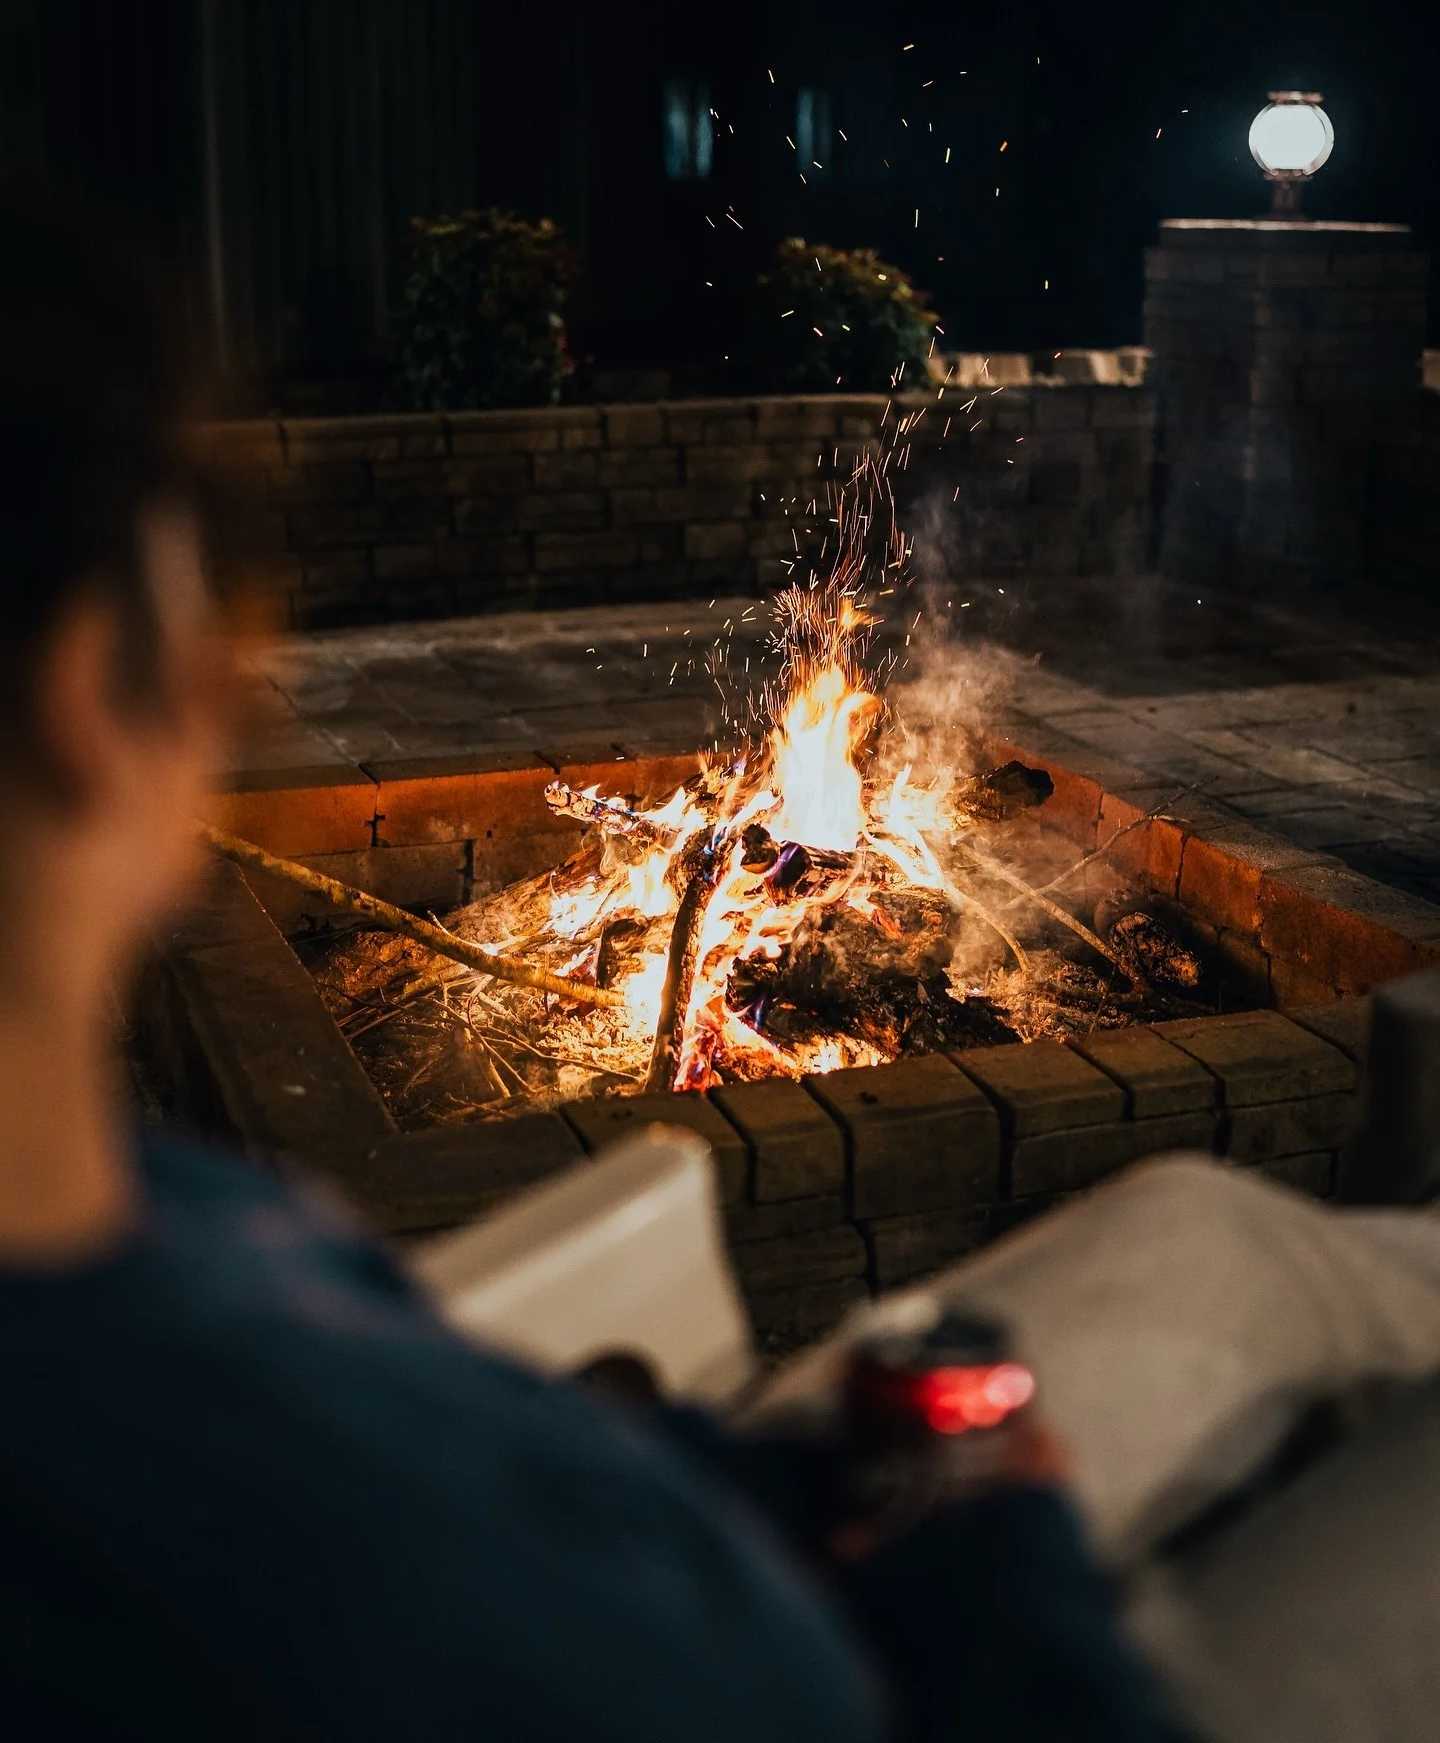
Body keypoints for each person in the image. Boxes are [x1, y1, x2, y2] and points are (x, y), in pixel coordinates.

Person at [0, 178, 1195, 1741]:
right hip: (971, 1648)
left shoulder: (173, 1223)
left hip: (713, 1494)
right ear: (95, 693)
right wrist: (1003, 1566)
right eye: (230, 619)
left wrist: (753, 1478)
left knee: (1240, 1244)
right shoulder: (303, 1542)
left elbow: (481, 1446)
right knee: (1252, 1258)